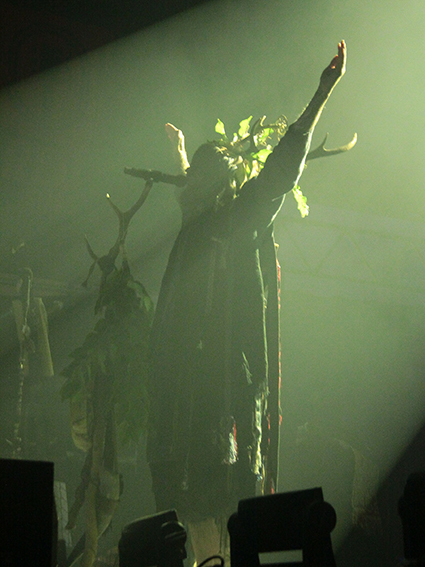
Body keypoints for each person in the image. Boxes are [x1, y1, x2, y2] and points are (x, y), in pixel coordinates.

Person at [145, 41, 348, 565]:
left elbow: (283, 169)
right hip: (187, 409)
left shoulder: (240, 219)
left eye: (200, 175)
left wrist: (321, 95)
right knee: (193, 521)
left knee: (222, 519)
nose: (191, 183)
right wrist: (181, 155)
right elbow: (191, 189)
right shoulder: (196, 226)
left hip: (222, 405)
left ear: (219, 184)